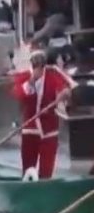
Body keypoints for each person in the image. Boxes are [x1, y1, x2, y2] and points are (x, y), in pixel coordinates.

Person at [11, 50, 73, 180]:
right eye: (35, 64)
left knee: (46, 171)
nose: (37, 68)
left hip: (49, 129)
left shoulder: (53, 74)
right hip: (30, 128)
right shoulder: (23, 76)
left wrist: (64, 93)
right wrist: (32, 80)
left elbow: (67, 88)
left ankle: (44, 185)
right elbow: (20, 95)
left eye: (40, 64)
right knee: (28, 169)